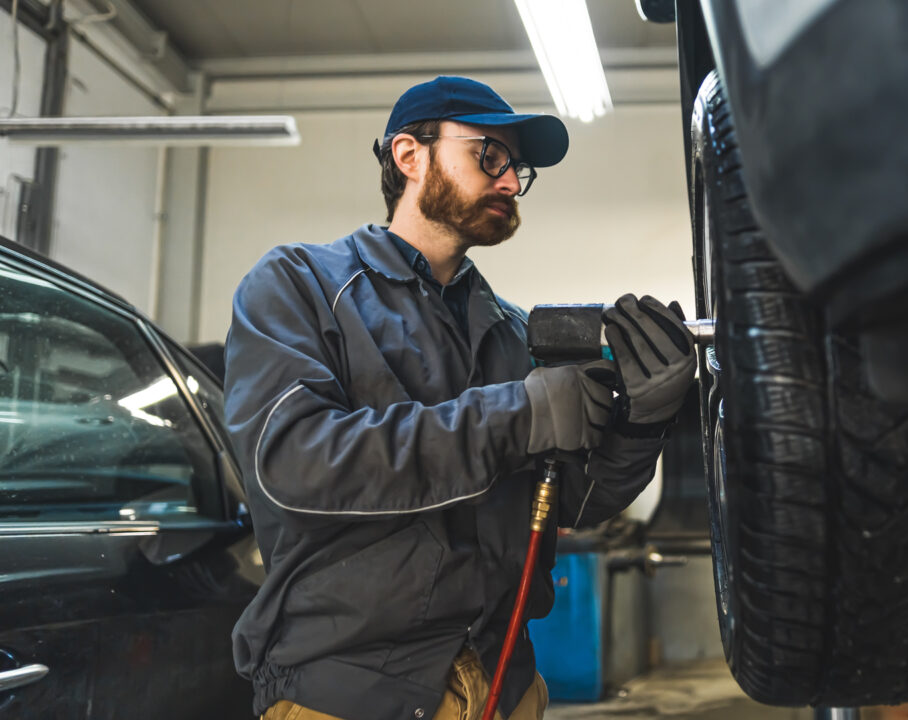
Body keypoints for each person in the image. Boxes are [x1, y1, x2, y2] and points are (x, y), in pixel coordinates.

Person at [224, 75, 696, 720]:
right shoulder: (298, 286)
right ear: (409, 156)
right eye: (490, 156)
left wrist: (643, 421)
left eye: (517, 169)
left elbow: (571, 500)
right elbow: (293, 464)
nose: (509, 182)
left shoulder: (515, 330)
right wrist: (522, 414)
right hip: (349, 692)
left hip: (507, 686)